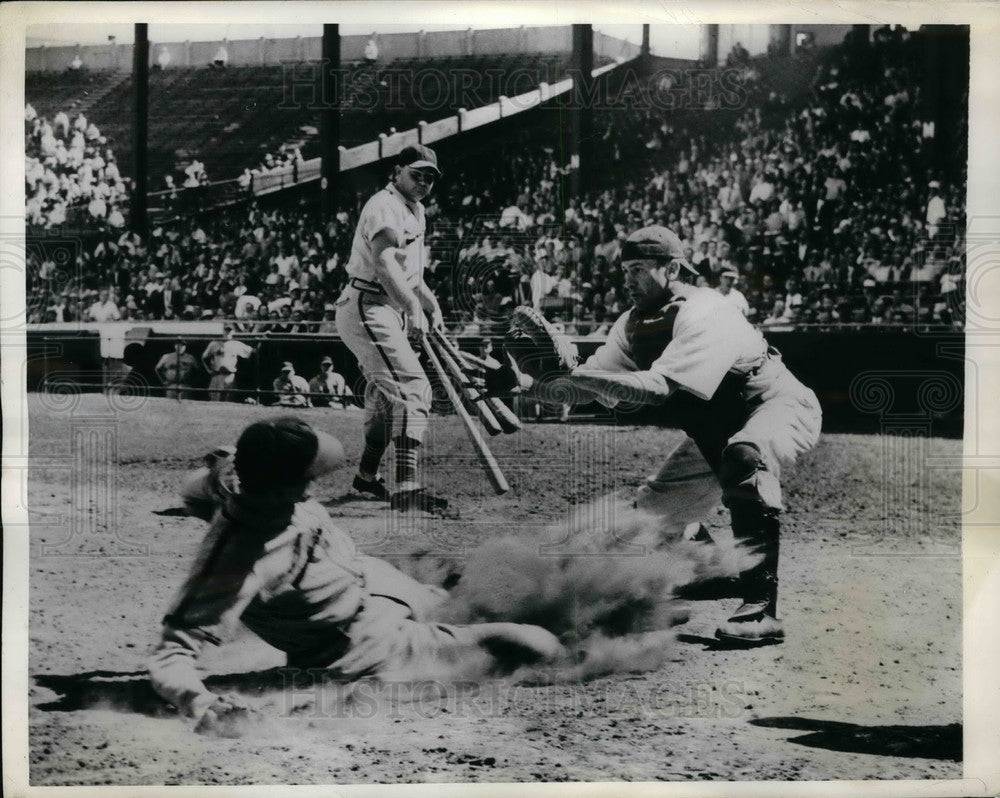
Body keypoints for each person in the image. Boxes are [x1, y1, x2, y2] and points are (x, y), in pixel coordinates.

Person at [155, 417, 563, 735]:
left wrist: (216, 466)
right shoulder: (236, 558)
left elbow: (202, 481)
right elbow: (171, 653)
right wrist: (200, 703)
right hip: (364, 643)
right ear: (284, 487)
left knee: (506, 591)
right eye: (309, 476)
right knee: (532, 643)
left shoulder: (240, 477)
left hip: (384, 586)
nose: (315, 483)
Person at [544, 226, 821, 646]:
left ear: (672, 268)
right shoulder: (630, 324)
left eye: (638, 269)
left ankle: (762, 609)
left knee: (745, 457)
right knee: (647, 520)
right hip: (715, 431)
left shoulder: (704, 309)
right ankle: (717, 573)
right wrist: (531, 383)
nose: (628, 279)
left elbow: (656, 388)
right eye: (625, 270)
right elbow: (599, 387)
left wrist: (576, 376)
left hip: (773, 403)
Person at [334, 144, 448, 513]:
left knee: (386, 400)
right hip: (368, 304)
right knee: (413, 386)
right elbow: (383, 265)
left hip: (384, 305)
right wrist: (412, 306)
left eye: (430, 177)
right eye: (417, 174)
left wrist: (429, 302)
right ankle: (407, 487)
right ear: (396, 171)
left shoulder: (415, 210)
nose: (424, 182)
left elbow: (408, 274)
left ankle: (367, 479)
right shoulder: (384, 204)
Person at [201, 324, 254, 402]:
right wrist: (208, 370)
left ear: (233, 332)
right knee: (214, 401)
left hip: (229, 376)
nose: (228, 332)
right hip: (217, 375)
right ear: (223, 331)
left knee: (228, 401)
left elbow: (251, 351)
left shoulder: (236, 344)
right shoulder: (214, 343)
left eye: (230, 330)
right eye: (226, 330)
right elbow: (204, 357)